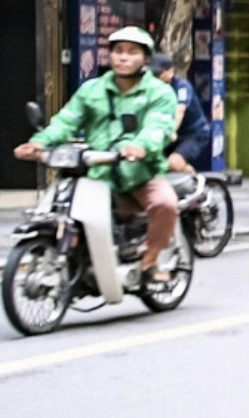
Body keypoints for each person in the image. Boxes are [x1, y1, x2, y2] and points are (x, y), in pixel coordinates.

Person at [15, 26, 181, 289]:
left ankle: (150, 261)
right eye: (118, 52)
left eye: (131, 52)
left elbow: (157, 128)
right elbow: (67, 121)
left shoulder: (160, 93)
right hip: (97, 174)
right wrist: (39, 142)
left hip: (140, 173)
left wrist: (139, 146)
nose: (123, 58)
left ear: (145, 59)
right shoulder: (91, 89)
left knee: (166, 203)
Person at [153, 52, 209, 175]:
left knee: (174, 163)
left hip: (194, 134)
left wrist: (172, 130)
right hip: (169, 136)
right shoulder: (153, 89)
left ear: (171, 72)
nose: (156, 77)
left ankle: (196, 185)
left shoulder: (182, 87)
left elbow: (180, 110)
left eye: (159, 74)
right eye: (153, 74)